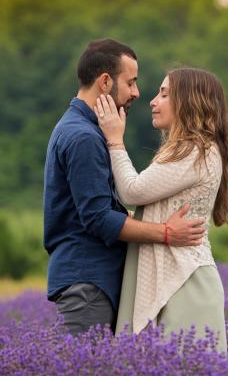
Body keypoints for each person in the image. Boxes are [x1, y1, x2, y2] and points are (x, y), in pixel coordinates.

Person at [44, 39, 207, 336]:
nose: (137, 93)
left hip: (90, 281)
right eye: (130, 82)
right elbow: (97, 218)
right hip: (89, 283)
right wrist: (167, 233)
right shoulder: (83, 137)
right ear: (105, 82)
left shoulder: (84, 130)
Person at [94, 67, 228, 354]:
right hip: (178, 281)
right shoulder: (189, 150)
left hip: (185, 283)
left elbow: (132, 191)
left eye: (164, 94)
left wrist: (114, 141)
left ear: (190, 102)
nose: (152, 101)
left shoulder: (198, 149)